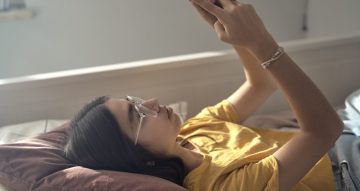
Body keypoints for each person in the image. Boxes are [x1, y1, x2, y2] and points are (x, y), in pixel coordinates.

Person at [64, 0, 347, 190]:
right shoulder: (216, 185)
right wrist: (261, 41)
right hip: (348, 171)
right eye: (137, 116)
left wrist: (227, 28)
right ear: (136, 158)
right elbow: (323, 131)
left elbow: (260, 85)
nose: (150, 103)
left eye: (135, 102)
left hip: (346, 140)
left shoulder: (193, 130)